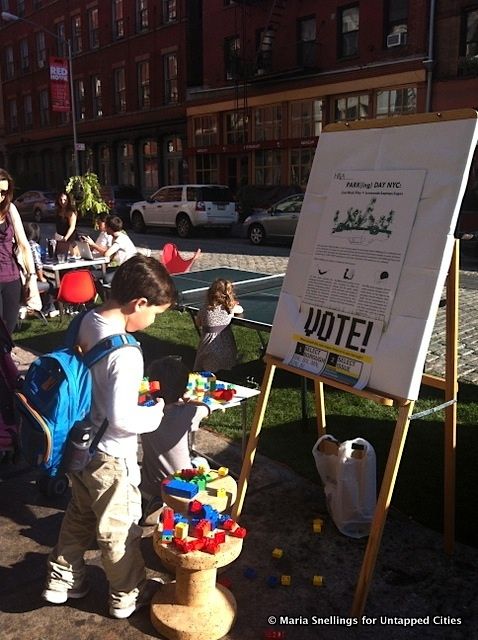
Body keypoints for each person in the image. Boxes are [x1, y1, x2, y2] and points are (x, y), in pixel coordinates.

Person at [42, 254, 177, 619]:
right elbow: (122, 419)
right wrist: (155, 413)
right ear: (140, 303)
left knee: (80, 514)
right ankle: (127, 594)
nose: (152, 322)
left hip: (78, 446)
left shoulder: (88, 320)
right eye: (156, 314)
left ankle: (63, 580)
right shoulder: (128, 353)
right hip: (110, 456)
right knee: (118, 529)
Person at [139, 356, 210, 510]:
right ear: (184, 388)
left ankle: (154, 501)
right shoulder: (191, 411)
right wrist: (187, 400)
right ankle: (169, 503)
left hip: (149, 485)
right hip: (181, 484)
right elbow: (206, 408)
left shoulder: (144, 411)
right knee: (202, 463)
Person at [0, 168, 39, 334]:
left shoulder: (10, 210)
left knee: (8, 329)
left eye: (4, 192)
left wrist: (32, 276)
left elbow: (23, 245)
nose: (0, 197)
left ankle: (5, 357)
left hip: (11, 278)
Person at [193, 278, 243, 373]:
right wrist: (233, 304)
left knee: (207, 369)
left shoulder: (204, 309)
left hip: (208, 346)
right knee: (225, 370)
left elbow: (198, 323)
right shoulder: (230, 308)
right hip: (226, 347)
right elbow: (240, 309)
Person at [24, 222, 59, 318]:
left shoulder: (21, 244)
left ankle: (49, 306)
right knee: (53, 283)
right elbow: (38, 264)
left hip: (22, 276)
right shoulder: (34, 246)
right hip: (31, 278)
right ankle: (49, 308)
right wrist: (41, 277)